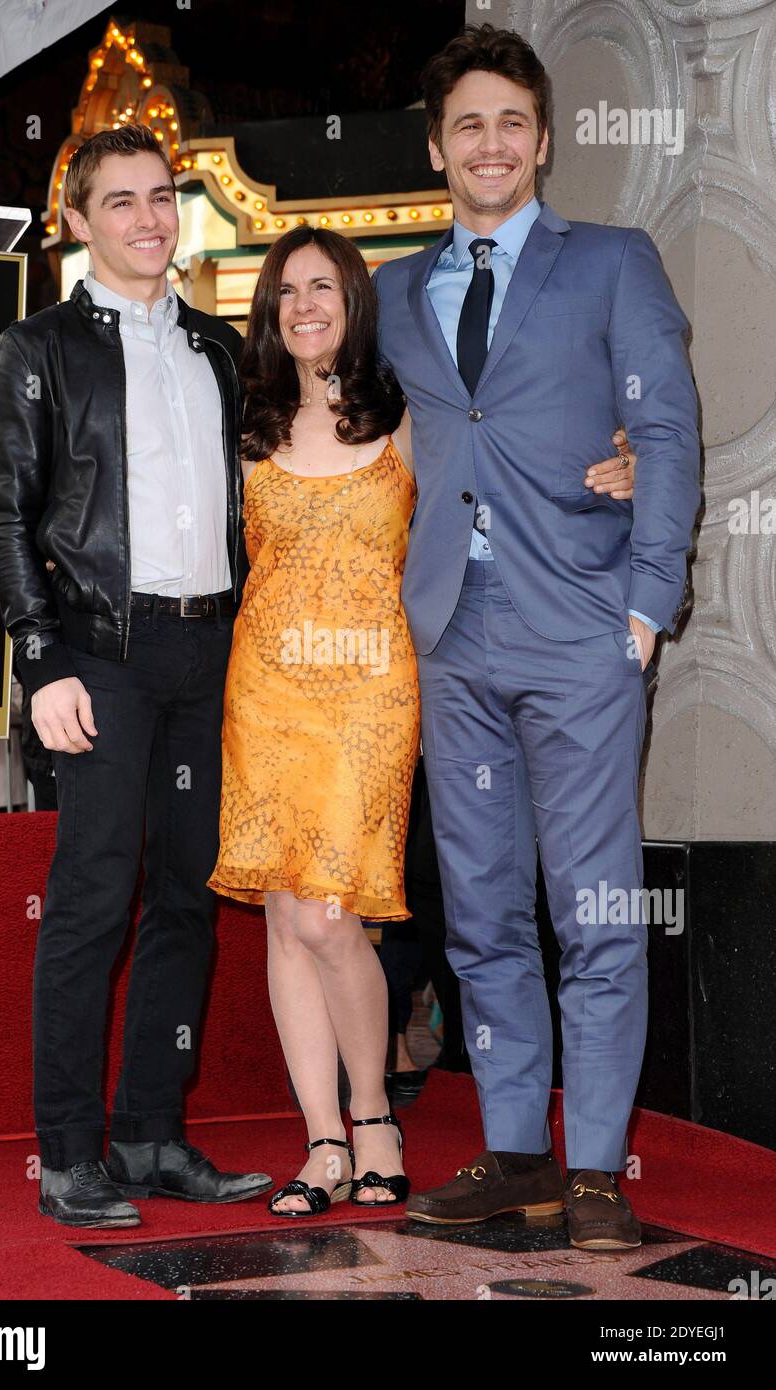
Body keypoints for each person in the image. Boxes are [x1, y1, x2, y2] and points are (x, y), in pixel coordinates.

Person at [206, 225, 638, 1217]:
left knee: (330, 915)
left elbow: (518, 435)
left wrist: (622, 452)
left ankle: (374, 1117)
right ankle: (319, 1140)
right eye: (286, 291)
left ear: (356, 305)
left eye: (324, 286)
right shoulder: (248, 424)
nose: (305, 303)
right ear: (269, 314)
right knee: (282, 915)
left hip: (370, 687)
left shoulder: (408, 418)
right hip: (265, 688)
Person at [373, 24, 699, 1249]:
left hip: (582, 631)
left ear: (545, 140)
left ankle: (600, 1170)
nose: (491, 143)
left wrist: (646, 602)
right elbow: (371, 433)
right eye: (469, 124)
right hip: (456, 637)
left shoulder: (613, 261)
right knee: (483, 915)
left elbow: (665, 432)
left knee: (598, 907)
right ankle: (518, 1154)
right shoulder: (399, 291)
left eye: (512, 121)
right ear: (437, 147)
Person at [0, 123, 272, 1227]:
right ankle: (68, 1154)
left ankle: (151, 1132)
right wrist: (41, 657)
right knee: (93, 901)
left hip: (211, 653)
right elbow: (10, 517)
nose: (150, 219)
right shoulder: (37, 348)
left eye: (163, 197)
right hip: (100, 655)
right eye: (121, 202)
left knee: (187, 901)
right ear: (77, 220)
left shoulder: (216, 348)